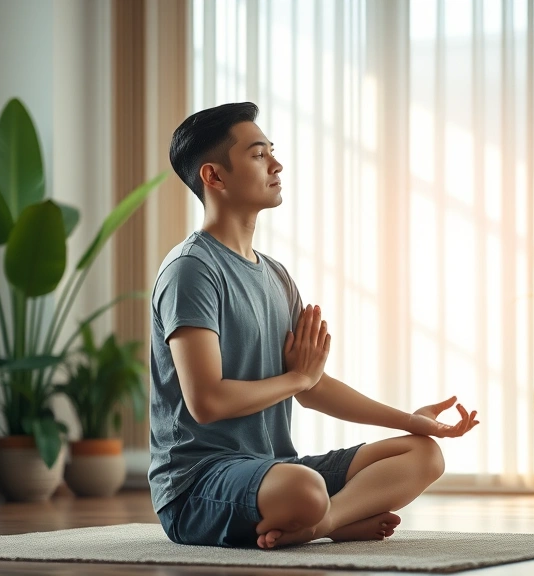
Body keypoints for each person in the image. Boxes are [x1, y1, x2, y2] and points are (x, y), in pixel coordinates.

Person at [149, 102, 479, 549]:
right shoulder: (191, 270)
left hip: (272, 469)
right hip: (198, 486)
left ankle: (323, 524)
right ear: (214, 176)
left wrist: (413, 421)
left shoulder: (276, 275)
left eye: (271, 152)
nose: (277, 164)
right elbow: (207, 401)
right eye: (259, 154)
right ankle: (322, 514)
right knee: (303, 488)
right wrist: (297, 377)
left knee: (423, 455)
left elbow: (312, 388)